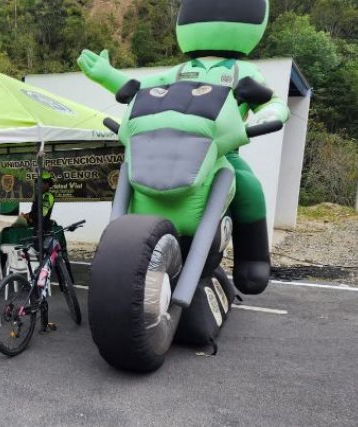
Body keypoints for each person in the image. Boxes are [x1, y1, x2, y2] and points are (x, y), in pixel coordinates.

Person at [78, 0, 289, 295]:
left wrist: (271, 113)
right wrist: (106, 75)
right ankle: (118, 248)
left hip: (219, 151)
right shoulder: (179, 71)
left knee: (249, 186)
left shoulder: (243, 71)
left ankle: (251, 258)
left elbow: (271, 102)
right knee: (128, 178)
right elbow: (140, 89)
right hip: (166, 146)